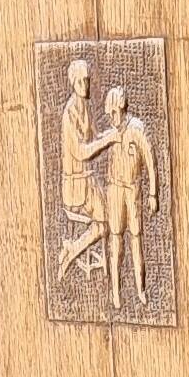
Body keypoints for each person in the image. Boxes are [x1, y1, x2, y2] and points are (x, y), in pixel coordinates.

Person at [100, 83, 159, 309]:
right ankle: (115, 292)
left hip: (132, 190)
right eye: (109, 114)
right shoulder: (111, 133)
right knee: (115, 240)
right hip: (114, 189)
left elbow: (150, 160)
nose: (112, 118)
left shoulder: (136, 128)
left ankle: (140, 290)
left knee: (136, 239)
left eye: (115, 112)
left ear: (122, 108)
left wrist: (153, 192)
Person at [57, 59, 115, 279]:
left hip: (88, 180)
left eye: (87, 80)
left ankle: (72, 248)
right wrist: (106, 142)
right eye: (80, 81)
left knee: (112, 217)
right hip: (76, 185)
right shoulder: (69, 113)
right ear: (73, 83)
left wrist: (112, 135)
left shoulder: (85, 107)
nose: (85, 85)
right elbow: (81, 152)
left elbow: (96, 136)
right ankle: (72, 252)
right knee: (104, 225)